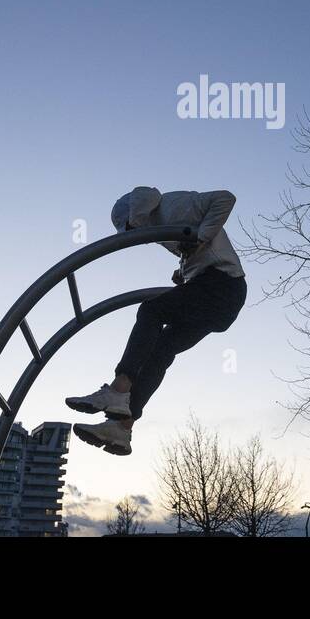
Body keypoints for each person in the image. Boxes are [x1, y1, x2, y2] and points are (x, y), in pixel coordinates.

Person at [66, 187, 246, 456]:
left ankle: (119, 389)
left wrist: (201, 236)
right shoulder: (165, 220)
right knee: (160, 351)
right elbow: (200, 250)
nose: (134, 234)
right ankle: (122, 427)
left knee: (151, 311)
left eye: (130, 227)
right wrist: (184, 271)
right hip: (222, 296)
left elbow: (225, 198)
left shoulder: (173, 205)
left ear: (135, 213)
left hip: (221, 284)